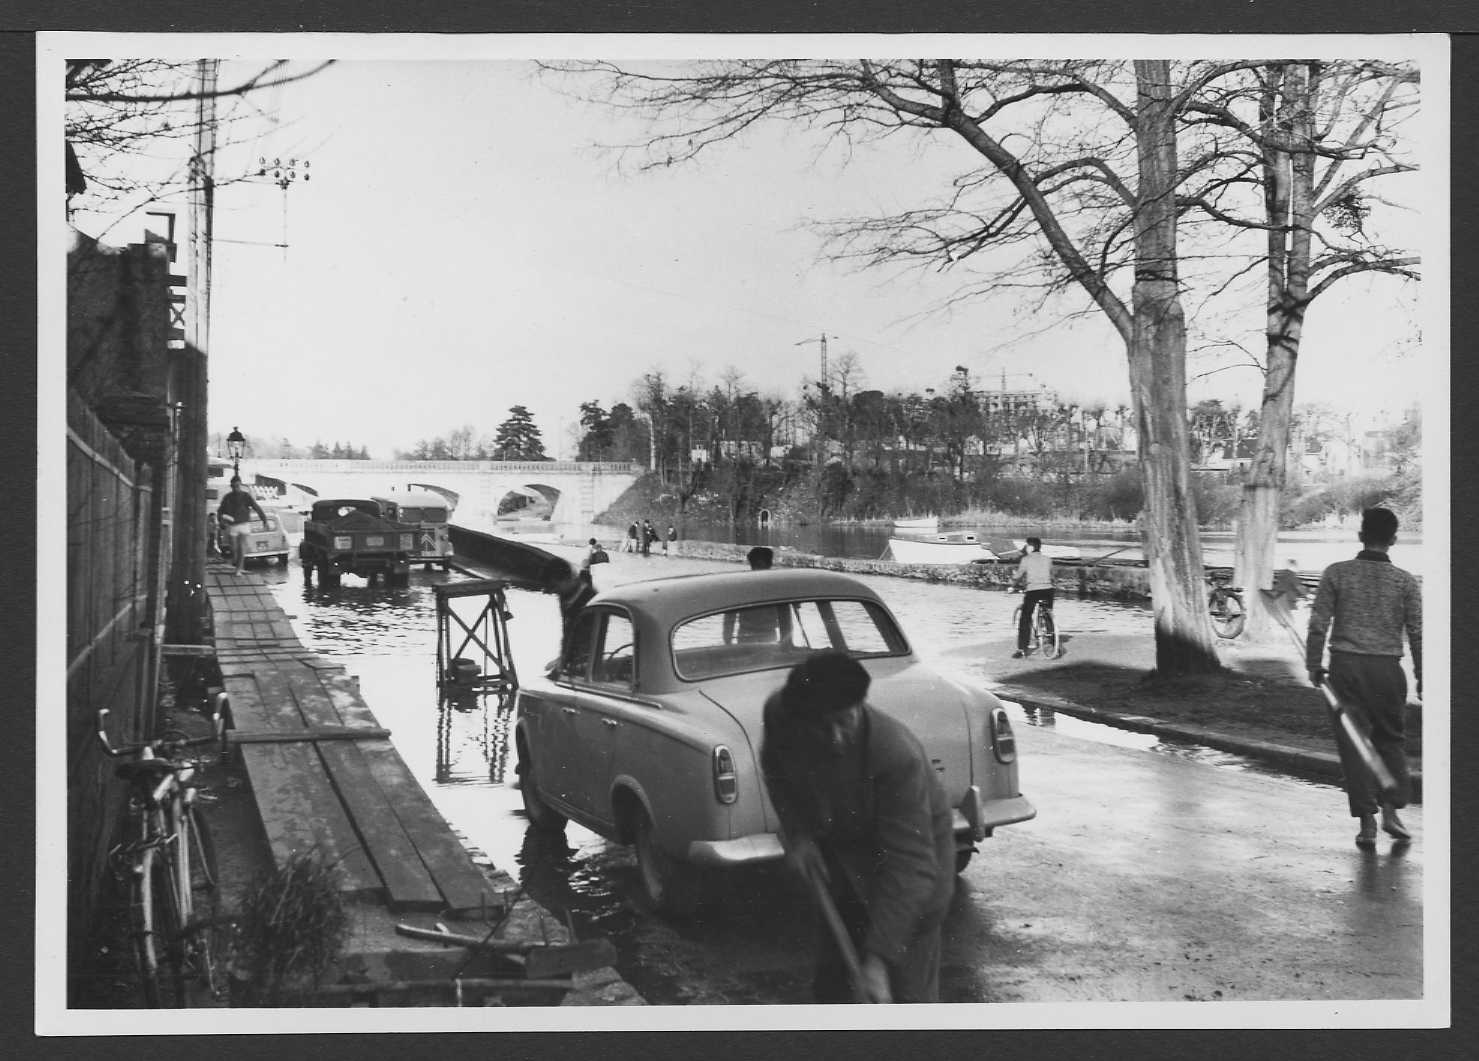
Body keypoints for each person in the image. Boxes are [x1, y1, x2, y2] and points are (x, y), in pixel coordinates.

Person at [760, 651, 955, 1003]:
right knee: (834, 986)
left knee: (905, 1000)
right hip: (845, 859)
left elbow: (910, 865)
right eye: (822, 725)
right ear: (801, 716)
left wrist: (878, 962)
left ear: (860, 705)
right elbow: (776, 770)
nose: (835, 738)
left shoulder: (895, 755)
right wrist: (799, 834)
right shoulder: (781, 716)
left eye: (843, 721)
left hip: (915, 873)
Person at [1305, 507, 1422, 849]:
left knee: (1355, 744)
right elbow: (1417, 631)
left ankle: (1367, 823)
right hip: (1387, 668)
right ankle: (1392, 812)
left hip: (1346, 668)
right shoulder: (1405, 581)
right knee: (1391, 739)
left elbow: (1317, 623)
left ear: (1361, 536)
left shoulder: (1336, 573)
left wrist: (1314, 664)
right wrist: (1423, 674)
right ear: (1394, 539)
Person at [723, 547, 791, 644]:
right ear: (770, 564)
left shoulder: (740, 585)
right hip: (767, 636)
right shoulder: (778, 587)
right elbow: (786, 619)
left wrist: (728, 642)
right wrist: (786, 644)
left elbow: (729, 618)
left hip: (747, 635)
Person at [217, 476, 270, 575]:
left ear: (240, 485)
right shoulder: (227, 497)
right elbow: (220, 511)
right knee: (233, 548)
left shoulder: (246, 496)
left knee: (241, 545)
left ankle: (238, 569)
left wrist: (264, 519)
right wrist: (220, 520)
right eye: (233, 486)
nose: (235, 488)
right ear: (231, 486)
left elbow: (256, 507)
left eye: (237, 486)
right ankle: (237, 563)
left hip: (244, 524)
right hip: (232, 525)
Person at [1011, 536, 1054, 658]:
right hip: (1048, 590)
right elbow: (1052, 575)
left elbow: (1018, 576)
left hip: (1033, 591)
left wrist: (1012, 586)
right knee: (1048, 614)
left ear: (1030, 547)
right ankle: (1053, 642)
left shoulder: (1026, 559)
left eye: (1026, 546)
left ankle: (1022, 649)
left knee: (1025, 617)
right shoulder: (1048, 559)